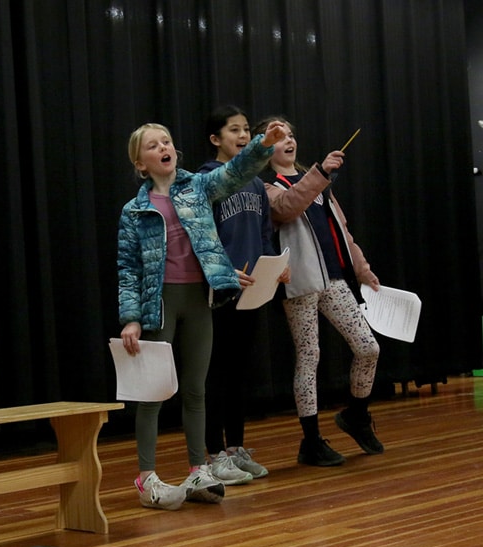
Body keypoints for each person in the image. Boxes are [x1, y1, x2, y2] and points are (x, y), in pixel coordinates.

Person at [118, 119, 286, 510]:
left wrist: (263, 143)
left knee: (196, 389)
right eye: (153, 145)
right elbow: (127, 268)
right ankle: (146, 478)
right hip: (160, 304)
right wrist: (131, 318)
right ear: (140, 164)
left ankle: (198, 470)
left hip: (198, 300)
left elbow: (236, 171)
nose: (164, 148)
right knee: (153, 393)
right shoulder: (134, 210)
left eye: (167, 141)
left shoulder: (197, 187)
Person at [251, 116, 383, 467]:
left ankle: (356, 415)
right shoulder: (267, 187)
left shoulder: (318, 182)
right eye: (279, 137)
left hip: (334, 279)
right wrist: (321, 172)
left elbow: (342, 231)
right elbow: (287, 207)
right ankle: (311, 441)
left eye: (291, 135)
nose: (289, 141)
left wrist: (363, 269)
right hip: (300, 283)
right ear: (265, 148)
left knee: (368, 347)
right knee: (309, 356)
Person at [199, 105, 291, 483]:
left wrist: (274, 264)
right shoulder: (206, 181)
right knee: (216, 373)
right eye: (233, 130)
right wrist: (222, 271)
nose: (242, 136)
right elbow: (200, 238)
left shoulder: (255, 183)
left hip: (252, 293)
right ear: (215, 139)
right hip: (220, 292)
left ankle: (236, 448)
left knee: (239, 372)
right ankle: (214, 452)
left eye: (245, 130)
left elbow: (265, 234)